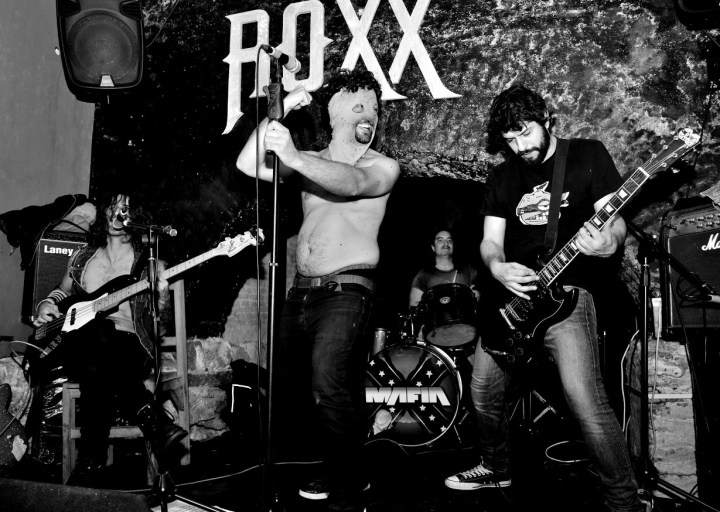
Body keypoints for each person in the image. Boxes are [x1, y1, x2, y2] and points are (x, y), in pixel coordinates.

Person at [444, 84, 642, 512]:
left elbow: (615, 220)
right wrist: (497, 267)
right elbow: (490, 242)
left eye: (525, 133)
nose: (520, 147)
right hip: (510, 303)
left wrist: (607, 244)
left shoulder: (587, 155)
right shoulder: (502, 177)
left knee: (584, 398)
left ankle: (624, 500)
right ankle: (495, 466)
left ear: (548, 118)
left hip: (568, 296)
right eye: (509, 140)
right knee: (482, 388)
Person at [236, 68, 400, 512]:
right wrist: (285, 107)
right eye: (358, 106)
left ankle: (349, 486)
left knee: (328, 378)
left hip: (347, 289)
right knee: (296, 387)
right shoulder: (310, 160)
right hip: (300, 292)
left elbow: (352, 184)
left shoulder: (381, 166)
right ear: (335, 114)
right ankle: (337, 465)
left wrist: (294, 155)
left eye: (374, 108)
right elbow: (247, 165)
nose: (369, 115)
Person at [33, 192, 187, 486]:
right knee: (96, 335)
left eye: (125, 209)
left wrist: (163, 299)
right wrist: (46, 303)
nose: (118, 214)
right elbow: (62, 291)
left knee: (97, 361)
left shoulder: (150, 264)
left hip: (131, 348)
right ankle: (155, 422)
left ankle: (89, 462)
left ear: (135, 217)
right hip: (81, 344)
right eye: (113, 208)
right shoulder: (83, 257)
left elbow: (160, 330)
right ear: (104, 213)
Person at [408, 228, 479, 344]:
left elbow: (478, 297)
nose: (446, 244)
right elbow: (414, 305)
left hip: (466, 332)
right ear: (433, 247)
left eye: (449, 240)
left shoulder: (467, 270)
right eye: (440, 240)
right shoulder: (423, 274)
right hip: (435, 334)